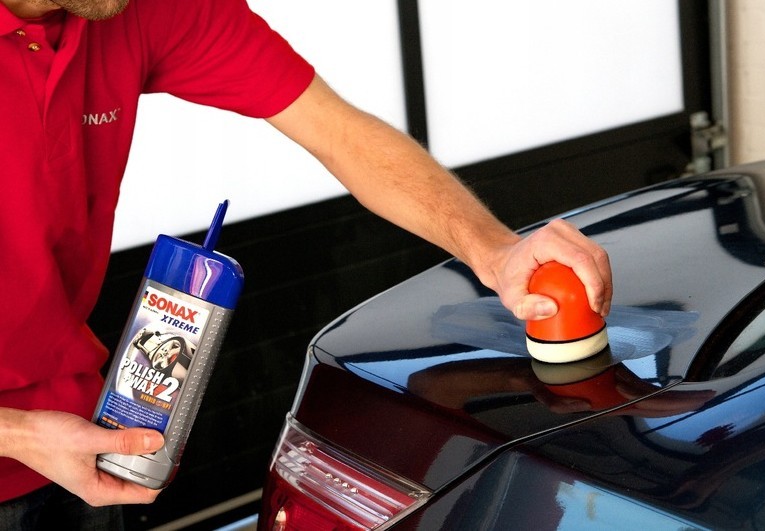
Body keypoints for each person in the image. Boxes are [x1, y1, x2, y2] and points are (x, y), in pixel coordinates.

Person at [0, 0, 612, 527]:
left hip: (73, 446)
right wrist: (21, 435)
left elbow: (338, 131)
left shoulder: (134, 9)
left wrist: (494, 250)